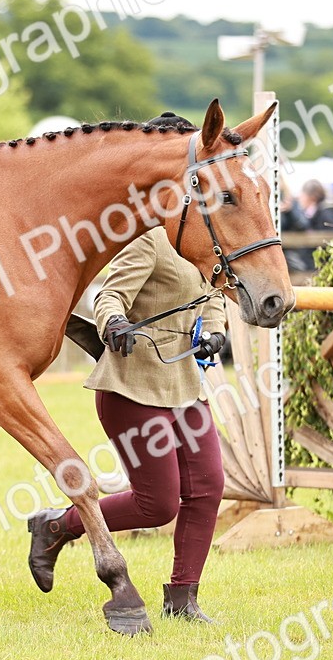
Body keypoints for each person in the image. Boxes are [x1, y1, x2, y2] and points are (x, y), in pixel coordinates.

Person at [26, 226, 228, 622]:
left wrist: (217, 331)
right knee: (158, 505)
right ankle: (57, 526)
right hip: (131, 386)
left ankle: (182, 600)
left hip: (185, 384)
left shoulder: (210, 242)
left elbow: (215, 293)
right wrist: (114, 322)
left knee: (208, 487)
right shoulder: (150, 239)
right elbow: (109, 295)